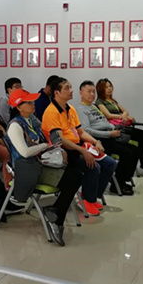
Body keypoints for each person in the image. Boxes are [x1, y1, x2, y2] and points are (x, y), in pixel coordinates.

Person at [6, 89, 82, 246]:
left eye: (32, 101)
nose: (33, 104)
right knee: (73, 178)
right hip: (27, 169)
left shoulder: (32, 120)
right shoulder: (15, 126)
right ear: (19, 107)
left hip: (40, 163)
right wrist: (46, 145)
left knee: (76, 173)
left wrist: (54, 145)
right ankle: (56, 219)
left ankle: (56, 212)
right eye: (28, 102)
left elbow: (49, 136)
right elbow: (25, 152)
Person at [41, 77, 117, 216]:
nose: (71, 90)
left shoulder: (70, 109)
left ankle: (93, 196)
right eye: (67, 88)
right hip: (63, 151)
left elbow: (80, 132)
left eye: (71, 87)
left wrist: (95, 142)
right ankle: (87, 199)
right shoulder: (51, 112)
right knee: (93, 167)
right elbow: (60, 140)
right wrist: (82, 150)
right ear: (57, 93)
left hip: (78, 146)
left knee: (110, 163)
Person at [76, 81, 138, 195]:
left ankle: (123, 179)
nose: (92, 94)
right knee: (127, 153)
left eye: (93, 92)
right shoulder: (80, 109)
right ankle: (117, 184)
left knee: (134, 149)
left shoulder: (94, 106)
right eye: (89, 92)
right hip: (99, 139)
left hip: (110, 135)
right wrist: (109, 134)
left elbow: (105, 121)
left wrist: (114, 128)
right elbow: (86, 130)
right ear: (81, 93)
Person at [95, 78, 143, 178]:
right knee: (142, 139)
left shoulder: (113, 101)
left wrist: (124, 115)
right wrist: (122, 116)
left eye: (110, 86)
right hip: (117, 128)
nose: (109, 89)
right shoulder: (100, 102)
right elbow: (108, 115)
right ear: (101, 89)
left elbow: (125, 111)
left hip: (124, 125)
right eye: (106, 87)